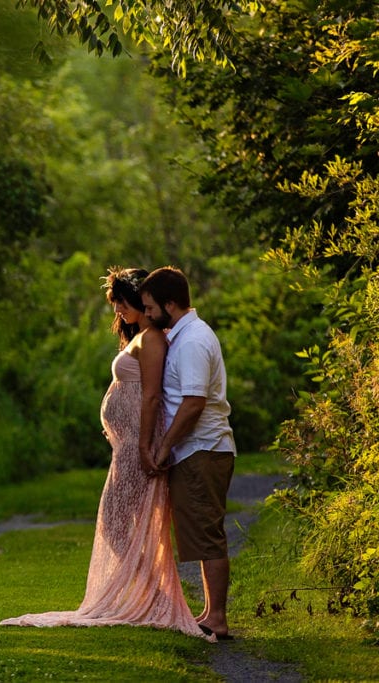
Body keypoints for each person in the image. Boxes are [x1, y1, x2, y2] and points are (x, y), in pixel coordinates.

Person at [0, 267, 208, 639]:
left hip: (135, 448)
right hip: (126, 445)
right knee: (116, 523)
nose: (119, 313)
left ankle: (157, 595)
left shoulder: (152, 339)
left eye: (122, 305)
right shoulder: (143, 336)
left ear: (140, 302)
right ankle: (156, 593)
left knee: (115, 522)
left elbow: (151, 396)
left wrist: (145, 445)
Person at [139, 266, 236, 641]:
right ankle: (211, 613)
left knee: (207, 532)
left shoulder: (193, 340)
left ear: (169, 303)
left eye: (150, 308)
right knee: (199, 531)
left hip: (202, 448)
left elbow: (193, 402)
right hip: (198, 449)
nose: (146, 315)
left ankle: (219, 619)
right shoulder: (183, 335)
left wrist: (164, 446)